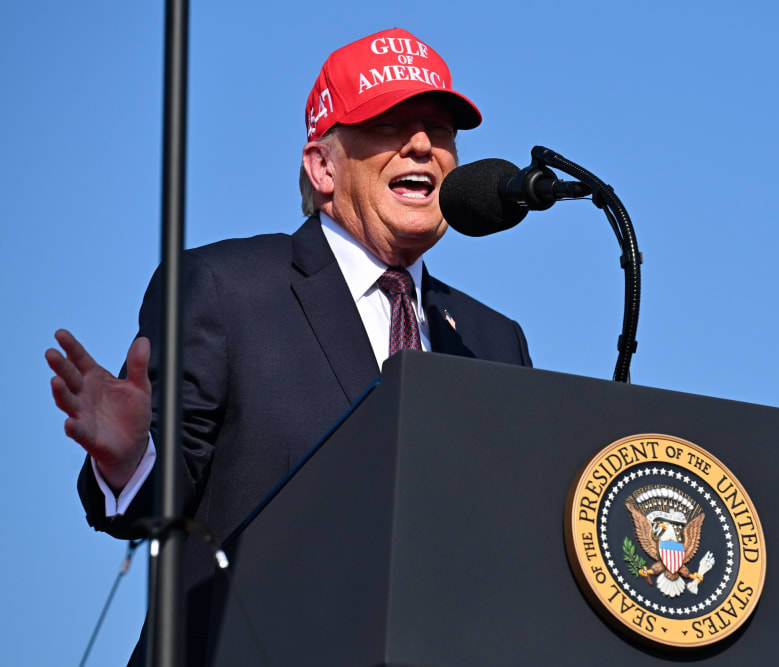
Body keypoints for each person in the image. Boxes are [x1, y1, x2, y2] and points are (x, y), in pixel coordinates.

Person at [45, 28, 531, 665]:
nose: (422, 145)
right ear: (323, 167)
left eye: (440, 131)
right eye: (391, 124)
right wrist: (131, 459)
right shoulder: (223, 289)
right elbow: (159, 503)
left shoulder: (497, 341)